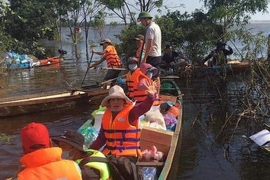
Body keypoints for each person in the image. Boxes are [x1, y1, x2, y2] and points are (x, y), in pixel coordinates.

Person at [89, 84, 157, 162]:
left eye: (118, 99)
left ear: (124, 101)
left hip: (127, 156)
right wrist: (89, 151)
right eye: (113, 100)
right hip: (110, 153)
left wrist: (150, 97)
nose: (115, 102)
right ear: (109, 102)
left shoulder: (131, 113)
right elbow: (101, 139)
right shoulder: (106, 116)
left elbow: (143, 107)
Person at [13, 122, 82, 180]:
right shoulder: (74, 166)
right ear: (50, 143)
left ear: (24, 149)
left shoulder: (22, 177)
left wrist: (16, 176)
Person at [137, 11, 162, 92]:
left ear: (146, 19)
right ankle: (156, 93)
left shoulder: (150, 28)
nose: (141, 23)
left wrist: (144, 58)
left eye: (141, 20)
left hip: (152, 55)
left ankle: (154, 93)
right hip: (157, 54)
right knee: (156, 75)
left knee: (151, 75)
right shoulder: (156, 26)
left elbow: (149, 45)